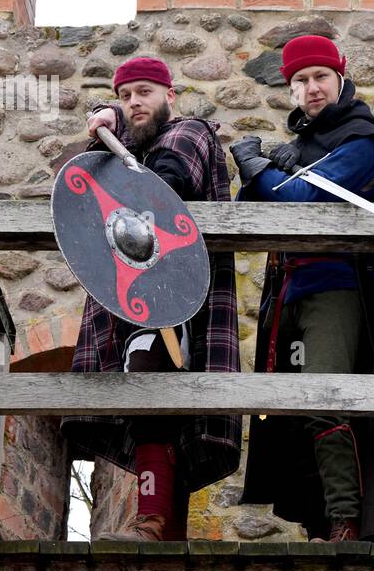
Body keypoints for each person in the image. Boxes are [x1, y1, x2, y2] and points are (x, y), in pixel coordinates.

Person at [232, 35, 374, 543]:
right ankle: (318, 520)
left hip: (339, 289)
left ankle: (346, 520)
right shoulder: (298, 147)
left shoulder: (362, 138)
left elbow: (302, 197)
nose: (311, 88)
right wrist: (264, 175)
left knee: (325, 398)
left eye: (320, 77)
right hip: (289, 292)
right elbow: (254, 207)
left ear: (341, 78)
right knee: (295, 409)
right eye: (300, 81)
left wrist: (259, 169)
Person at [62, 57, 241, 541]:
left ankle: (155, 521)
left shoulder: (191, 132)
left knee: (153, 395)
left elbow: (163, 186)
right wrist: (107, 128)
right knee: (152, 405)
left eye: (145, 92)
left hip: (176, 297)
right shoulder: (126, 145)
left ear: (170, 95)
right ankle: (162, 525)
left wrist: (112, 132)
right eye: (126, 96)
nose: (136, 102)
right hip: (134, 294)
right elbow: (88, 191)